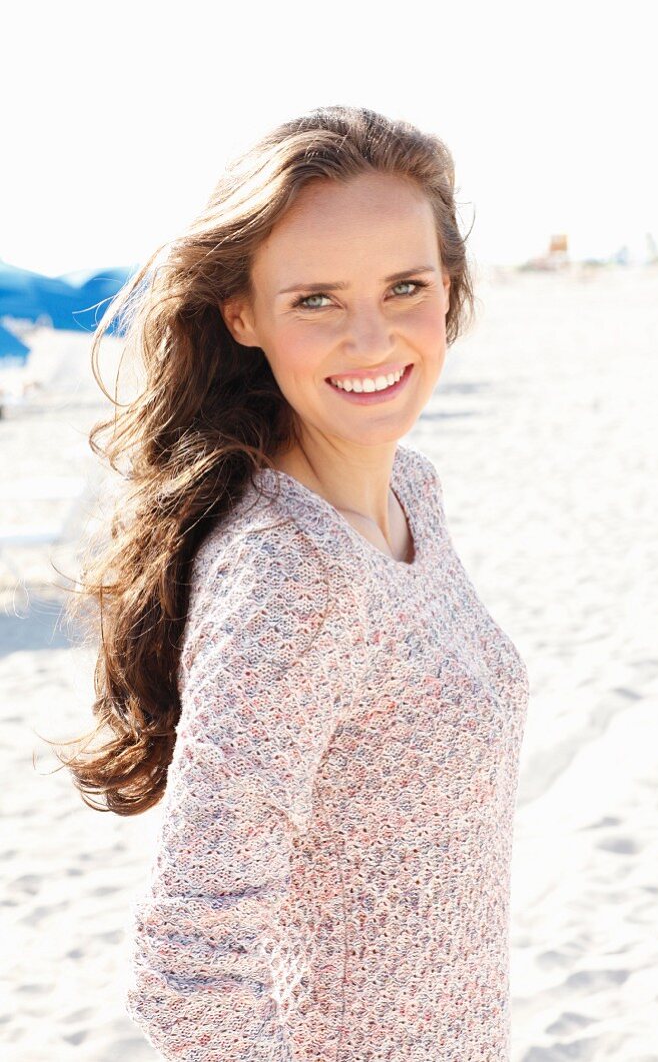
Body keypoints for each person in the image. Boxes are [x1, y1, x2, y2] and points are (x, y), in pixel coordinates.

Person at [59, 105, 530, 1060]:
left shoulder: (411, 491)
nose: (372, 338)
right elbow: (190, 972)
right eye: (316, 299)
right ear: (242, 315)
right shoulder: (291, 577)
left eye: (406, 286)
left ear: (450, 290)